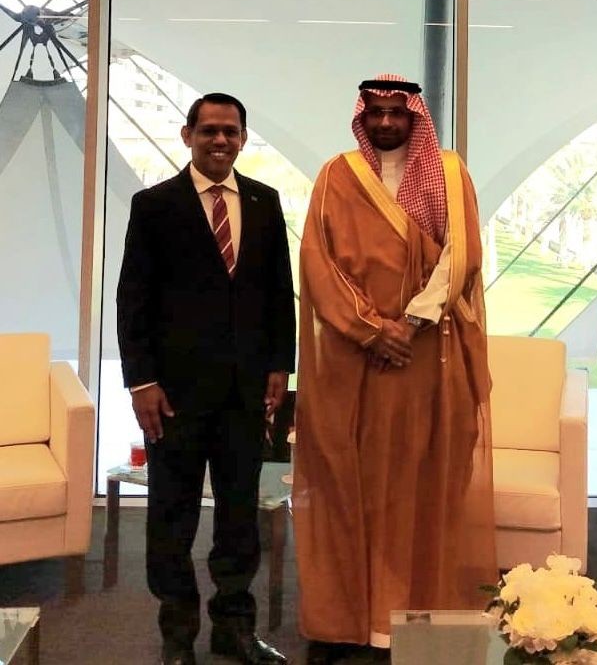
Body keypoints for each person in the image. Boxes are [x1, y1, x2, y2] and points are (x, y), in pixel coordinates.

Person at [293, 74, 497, 663]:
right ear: (363, 116)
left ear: (415, 117)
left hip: (428, 355)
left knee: (424, 480)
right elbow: (318, 261)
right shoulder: (337, 175)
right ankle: (350, 620)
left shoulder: (450, 173)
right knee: (352, 483)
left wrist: (409, 323)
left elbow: (462, 255)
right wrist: (370, 329)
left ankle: (414, 616)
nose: (386, 122)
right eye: (376, 112)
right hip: (354, 359)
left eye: (396, 112)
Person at [117, 92, 296, 665]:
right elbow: (133, 300)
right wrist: (141, 382)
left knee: (240, 516)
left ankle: (234, 628)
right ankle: (177, 635)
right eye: (209, 130)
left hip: (246, 392)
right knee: (172, 516)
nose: (220, 140)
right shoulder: (154, 205)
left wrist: (280, 366)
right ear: (187, 134)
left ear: (243, 138)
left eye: (231, 131)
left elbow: (279, 291)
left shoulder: (264, 201)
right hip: (173, 395)